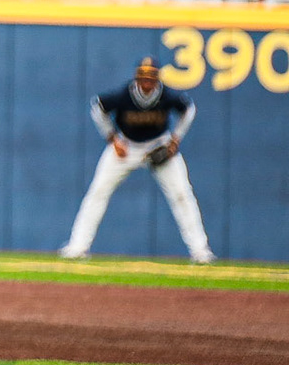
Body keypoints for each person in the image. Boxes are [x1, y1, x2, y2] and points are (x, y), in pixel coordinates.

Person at [59, 56, 215, 265]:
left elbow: (188, 109)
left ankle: (200, 251)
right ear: (137, 78)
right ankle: (78, 246)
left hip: (159, 146)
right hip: (127, 146)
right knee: (98, 192)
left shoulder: (166, 96)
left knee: (182, 195)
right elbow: (98, 107)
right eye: (143, 77)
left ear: (157, 79)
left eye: (151, 78)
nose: (147, 82)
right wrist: (112, 138)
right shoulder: (125, 95)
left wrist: (176, 138)